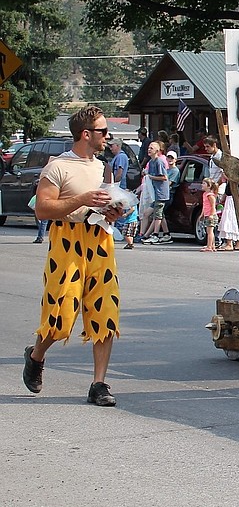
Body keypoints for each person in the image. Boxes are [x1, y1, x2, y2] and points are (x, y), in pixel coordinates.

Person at [22, 105, 123, 407]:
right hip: (67, 241)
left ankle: (99, 384)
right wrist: (81, 199)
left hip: (100, 239)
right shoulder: (58, 167)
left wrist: (115, 211)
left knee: (105, 312)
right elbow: (42, 209)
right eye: (103, 130)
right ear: (86, 134)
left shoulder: (102, 167)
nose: (108, 136)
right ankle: (36, 355)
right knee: (61, 317)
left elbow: (107, 204)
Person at [139, 142, 173, 244]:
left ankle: (155, 235)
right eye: (148, 147)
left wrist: (150, 176)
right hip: (155, 193)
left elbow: (164, 177)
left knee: (157, 215)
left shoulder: (159, 162)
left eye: (152, 148)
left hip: (161, 193)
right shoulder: (151, 161)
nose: (149, 149)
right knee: (158, 214)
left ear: (157, 151)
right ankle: (167, 235)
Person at [216, 181, 239, 251]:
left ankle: (231, 243)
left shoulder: (235, 178)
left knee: (230, 219)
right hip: (231, 198)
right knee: (231, 219)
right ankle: (236, 243)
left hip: (233, 199)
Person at [199, 177, 220, 252]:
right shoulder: (205, 194)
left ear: (209, 186)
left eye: (204, 183)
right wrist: (202, 214)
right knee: (210, 231)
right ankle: (212, 245)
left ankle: (209, 246)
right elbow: (204, 206)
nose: (202, 185)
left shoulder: (210, 195)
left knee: (210, 232)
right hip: (207, 215)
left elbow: (213, 206)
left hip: (211, 216)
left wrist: (211, 215)